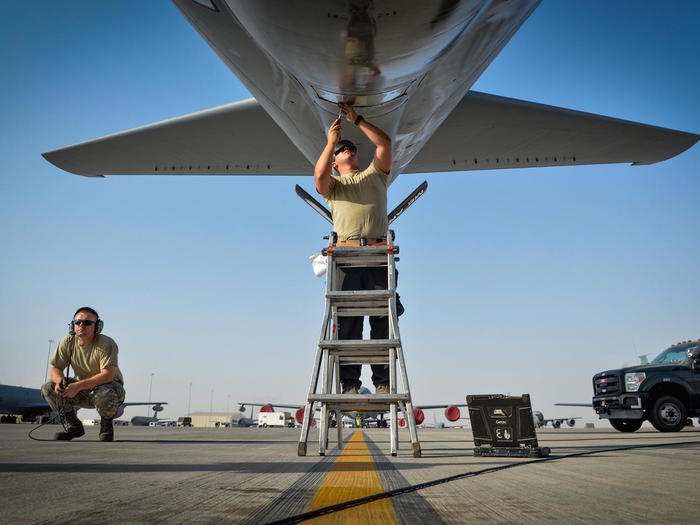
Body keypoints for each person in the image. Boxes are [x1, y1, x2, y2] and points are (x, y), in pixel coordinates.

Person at [314, 102, 401, 395]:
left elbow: (385, 143)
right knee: (349, 326)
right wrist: (330, 144)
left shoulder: (376, 175)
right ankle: (350, 385)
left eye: (348, 147)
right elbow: (319, 179)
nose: (344, 150)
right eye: (340, 152)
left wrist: (358, 119)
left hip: (377, 256)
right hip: (348, 260)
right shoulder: (335, 188)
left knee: (381, 322)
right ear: (335, 163)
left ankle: (383, 383)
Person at [41, 307, 125, 441]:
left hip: (110, 388)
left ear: (97, 326)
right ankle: (73, 426)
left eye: (87, 323)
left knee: (103, 392)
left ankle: (106, 426)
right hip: (81, 389)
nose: (81, 326)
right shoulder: (67, 342)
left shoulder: (106, 343)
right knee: (48, 389)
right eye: (78, 322)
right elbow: (55, 367)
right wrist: (59, 381)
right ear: (72, 326)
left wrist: (78, 386)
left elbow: (108, 375)